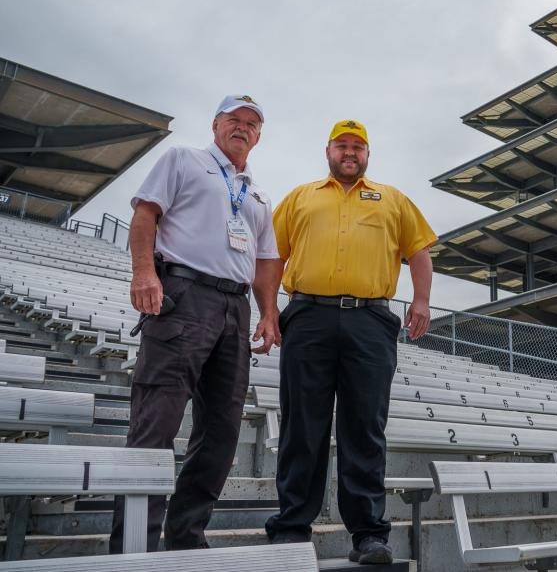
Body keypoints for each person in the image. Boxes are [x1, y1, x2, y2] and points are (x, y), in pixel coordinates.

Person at [110, 95, 283, 552]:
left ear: (259, 135)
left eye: (251, 123)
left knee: (223, 430)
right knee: (156, 423)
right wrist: (144, 272)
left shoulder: (259, 195)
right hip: (183, 295)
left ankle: (186, 535)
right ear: (216, 125)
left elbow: (266, 260)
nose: (242, 128)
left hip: (235, 307)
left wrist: (268, 312)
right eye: (234, 120)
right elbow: (145, 214)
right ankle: (134, 546)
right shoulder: (183, 160)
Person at [264, 119, 436, 564]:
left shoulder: (392, 199)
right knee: (304, 424)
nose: (350, 152)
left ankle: (368, 535)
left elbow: (419, 250)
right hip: (307, 315)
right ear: (328, 150)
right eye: (342, 145)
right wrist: (267, 310)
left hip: (370, 319)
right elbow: (272, 255)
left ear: (367, 155)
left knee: (365, 428)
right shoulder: (301, 197)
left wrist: (421, 301)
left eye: (358, 147)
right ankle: (292, 527)